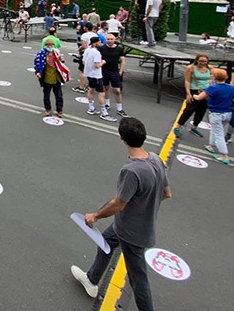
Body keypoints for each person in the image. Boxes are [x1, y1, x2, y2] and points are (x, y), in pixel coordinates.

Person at [71, 117, 171, 311]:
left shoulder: (131, 171)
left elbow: (118, 204)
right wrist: (145, 206)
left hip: (131, 232)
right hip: (131, 225)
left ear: (122, 139)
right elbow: (167, 193)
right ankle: (92, 280)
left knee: (138, 280)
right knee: (106, 242)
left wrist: (95, 216)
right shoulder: (156, 159)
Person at [193, 68, 234, 164]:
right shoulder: (231, 87)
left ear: (214, 77)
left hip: (216, 113)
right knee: (216, 129)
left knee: (219, 134)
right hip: (228, 113)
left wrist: (194, 95)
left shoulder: (212, 88)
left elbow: (199, 98)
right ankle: (211, 145)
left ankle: (224, 155)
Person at [173, 53, 212, 138]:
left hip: (205, 92)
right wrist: (188, 93)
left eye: (205, 61)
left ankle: (194, 126)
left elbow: (211, 79)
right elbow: (187, 81)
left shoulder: (210, 68)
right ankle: (178, 126)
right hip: (194, 90)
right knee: (189, 109)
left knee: (201, 110)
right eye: (201, 61)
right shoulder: (191, 68)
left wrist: (209, 88)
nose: (203, 63)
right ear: (197, 60)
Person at [84, 36, 117, 122]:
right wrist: (103, 62)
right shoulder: (97, 53)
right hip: (96, 75)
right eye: (99, 42)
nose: (101, 44)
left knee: (91, 90)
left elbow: (84, 61)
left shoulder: (87, 50)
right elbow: (97, 65)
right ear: (95, 43)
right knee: (101, 93)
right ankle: (104, 113)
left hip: (89, 73)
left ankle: (91, 108)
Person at [34, 38, 68, 117]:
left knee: (59, 95)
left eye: (52, 45)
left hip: (56, 77)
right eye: (48, 45)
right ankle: (47, 109)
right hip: (47, 76)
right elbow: (37, 63)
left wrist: (61, 59)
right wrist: (38, 72)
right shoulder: (42, 53)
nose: (50, 46)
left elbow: (61, 64)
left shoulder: (56, 52)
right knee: (47, 94)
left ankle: (60, 110)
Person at [100, 35, 128, 117]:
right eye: (108, 39)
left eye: (111, 39)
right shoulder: (102, 48)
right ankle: (107, 104)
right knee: (105, 88)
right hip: (104, 71)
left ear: (115, 39)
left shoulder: (119, 49)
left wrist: (121, 71)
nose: (109, 41)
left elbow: (122, 60)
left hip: (114, 71)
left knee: (117, 90)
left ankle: (120, 109)